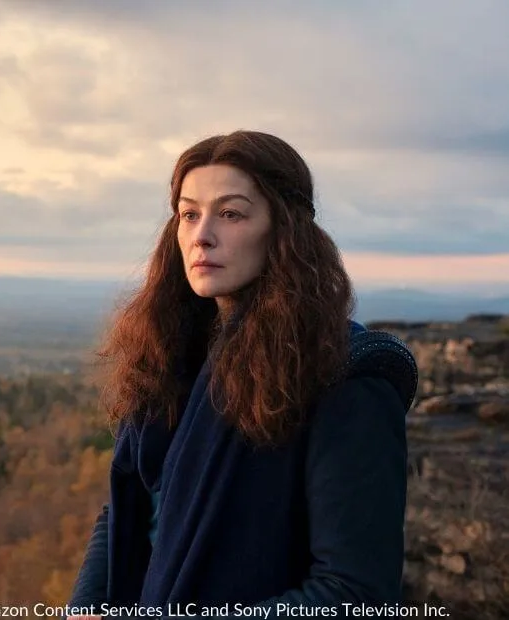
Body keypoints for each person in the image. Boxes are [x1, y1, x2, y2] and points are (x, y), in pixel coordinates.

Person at [65, 130, 417, 618]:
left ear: (283, 230)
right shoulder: (173, 357)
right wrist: (84, 610)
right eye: (189, 214)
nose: (201, 235)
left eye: (230, 213)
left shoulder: (345, 377)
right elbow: (128, 512)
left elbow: (353, 594)